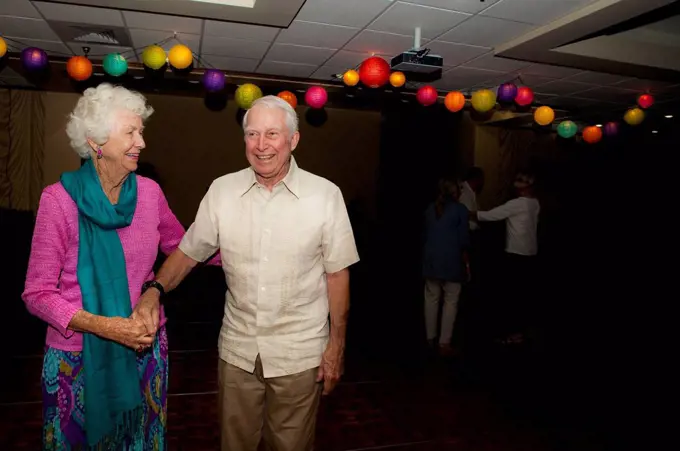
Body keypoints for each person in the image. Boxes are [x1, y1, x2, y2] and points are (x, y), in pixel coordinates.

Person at [135, 95, 360, 451]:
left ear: (294, 140)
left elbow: (337, 276)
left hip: (299, 354)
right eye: (252, 134)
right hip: (237, 352)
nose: (261, 145)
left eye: (272, 134)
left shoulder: (325, 196)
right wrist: (154, 290)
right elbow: (188, 253)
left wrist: (337, 346)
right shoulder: (223, 191)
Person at [22, 83, 185, 450]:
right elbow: (37, 294)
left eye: (141, 131)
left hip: (144, 348)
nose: (141, 142)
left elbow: (184, 249)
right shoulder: (59, 201)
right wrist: (106, 326)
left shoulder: (149, 194)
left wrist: (245, 247)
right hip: (77, 357)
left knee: (141, 441)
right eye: (131, 132)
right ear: (96, 141)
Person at [471, 171, 540, 344]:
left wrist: (469, 213)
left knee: (512, 295)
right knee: (524, 294)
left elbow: (490, 215)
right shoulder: (535, 203)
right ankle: (522, 331)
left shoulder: (517, 204)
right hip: (531, 253)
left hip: (516, 254)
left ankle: (512, 334)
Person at [422, 178, 470, 355]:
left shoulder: (430, 210)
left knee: (431, 298)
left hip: (431, 261)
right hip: (451, 261)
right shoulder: (460, 211)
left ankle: (430, 338)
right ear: (455, 192)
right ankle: (444, 342)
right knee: (451, 300)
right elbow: (464, 239)